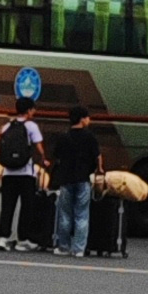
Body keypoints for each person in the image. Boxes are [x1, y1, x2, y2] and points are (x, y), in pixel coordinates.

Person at [47, 105, 102, 256]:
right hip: (83, 179)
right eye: (87, 117)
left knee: (65, 214)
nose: (89, 120)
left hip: (66, 179)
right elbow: (97, 156)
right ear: (82, 119)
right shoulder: (89, 137)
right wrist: (99, 170)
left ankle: (63, 246)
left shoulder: (64, 136)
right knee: (82, 214)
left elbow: (56, 156)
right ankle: (78, 249)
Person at [0, 96, 46, 249]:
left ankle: (3, 238)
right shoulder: (31, 126)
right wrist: (43, 159)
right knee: (26, 206)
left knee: (7, 206)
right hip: (25, 173)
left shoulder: (7, 126)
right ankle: (22, 239)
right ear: (29, 110)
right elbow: (38, 146)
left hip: (8, 173)